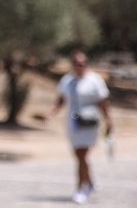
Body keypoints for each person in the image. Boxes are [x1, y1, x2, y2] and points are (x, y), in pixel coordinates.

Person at [48, 51, 114, 204]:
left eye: (82, 64)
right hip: (73, 122)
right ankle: (90, 183)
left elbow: (103, 102)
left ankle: (80, 189)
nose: (80, 67)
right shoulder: (67, 81)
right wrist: (49, 114)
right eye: (77, 64)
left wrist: (109, 121)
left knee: (82, 155)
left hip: (90, 122)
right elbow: (60, 100)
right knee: (79, 155)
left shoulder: (95, 80)